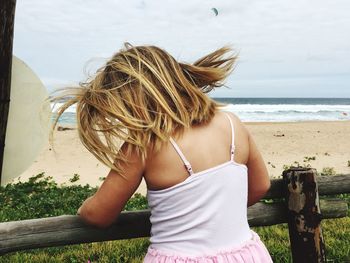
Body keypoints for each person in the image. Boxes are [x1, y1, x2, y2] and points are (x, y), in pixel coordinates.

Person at [52, 43, 273, 262]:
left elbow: (99, 215)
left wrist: (85, 207)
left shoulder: (144, 145)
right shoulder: (231, 124)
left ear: (135, 99)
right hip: (245, 255)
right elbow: (260, 185)